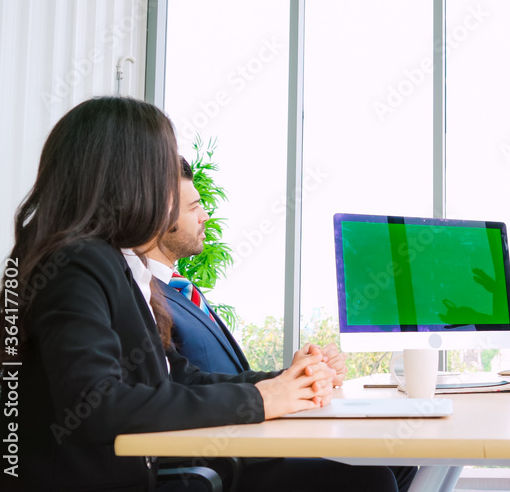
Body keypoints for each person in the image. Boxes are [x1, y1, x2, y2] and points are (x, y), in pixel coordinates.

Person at [0, 97, 402, 491]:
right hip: (124, 480)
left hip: (151, 473)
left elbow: (180, 376)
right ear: (128, 178)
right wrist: (260, 400)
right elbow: (95, 406)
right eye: (160, 172)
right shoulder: (77, 263)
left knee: (369, 472)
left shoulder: (112, 262)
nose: (167, 191)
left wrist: (282, 383)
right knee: (364, 478)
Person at [147, 156, 415, 491]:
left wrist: (293, 377)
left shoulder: (180, 289)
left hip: (250, 443)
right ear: (158, 216)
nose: (206, 215)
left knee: (402, 457)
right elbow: (180, 389)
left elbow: (208, 377)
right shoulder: (145, 297)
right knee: (372, 477)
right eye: (194, 207)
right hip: (226, 463)